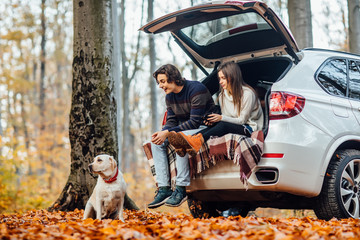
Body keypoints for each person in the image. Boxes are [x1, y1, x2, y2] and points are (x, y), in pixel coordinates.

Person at [148, 64, 215, 209]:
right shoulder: (169, 96)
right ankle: (164, 189)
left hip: (203, 126)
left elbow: (194, 122)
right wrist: (163, 132)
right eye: (159, 82)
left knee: (179, 138)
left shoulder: (196, 89)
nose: (160, 86)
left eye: (163, 81)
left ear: (173, 78)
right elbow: (171, 120)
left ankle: (181, 188)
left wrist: (169, 133)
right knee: (155, 142)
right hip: (183, 128)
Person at [168, 61, 264, 155]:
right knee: (213, 126)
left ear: (232, 77)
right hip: (233, 125)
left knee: (222, 125)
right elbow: (226, 117)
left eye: (223, 78)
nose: (220, 81)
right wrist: (214, 121)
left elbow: (242, 120)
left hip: (249, 128)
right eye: (219, 78)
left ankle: (195, 141)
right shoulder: (223, 95)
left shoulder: (248, 94)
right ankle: (188, 142)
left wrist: (221, 118)